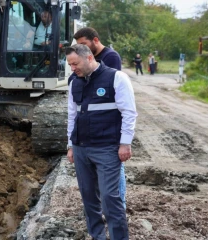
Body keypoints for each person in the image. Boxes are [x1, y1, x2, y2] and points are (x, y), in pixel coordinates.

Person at [66, 44, 137, 240]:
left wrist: (125, 143)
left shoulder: (116, 78)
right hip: (81, 149)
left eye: (75, 63)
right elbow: (72, 116)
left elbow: (129, 113)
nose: (73, 68)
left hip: (107, 149)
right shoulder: (74, 83)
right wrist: (70, 146)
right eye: (70, 65)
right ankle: (97, 236)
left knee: (109, 199)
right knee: (89, 200)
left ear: (89, 58)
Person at [71, 26, 127, 210]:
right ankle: (102, 210)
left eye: (83, 45)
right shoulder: (83, 65)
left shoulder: (110, 58)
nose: (80, 49)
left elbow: (107, 87)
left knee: (113, 175)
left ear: (95, 41)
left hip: (108, 129)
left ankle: (119, 206)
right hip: (89, 133)